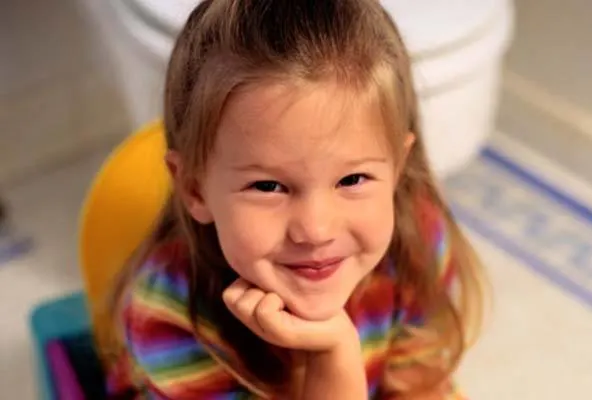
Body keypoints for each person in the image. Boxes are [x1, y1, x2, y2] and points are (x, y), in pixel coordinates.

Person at [106, 0, 487, 398]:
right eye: (268, 186)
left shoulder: (419, 239)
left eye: (352, 178)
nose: (316, 229)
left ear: (396, 169)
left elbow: (419, 381)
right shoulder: (169, 315)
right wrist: (331, 358)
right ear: (195, 189)